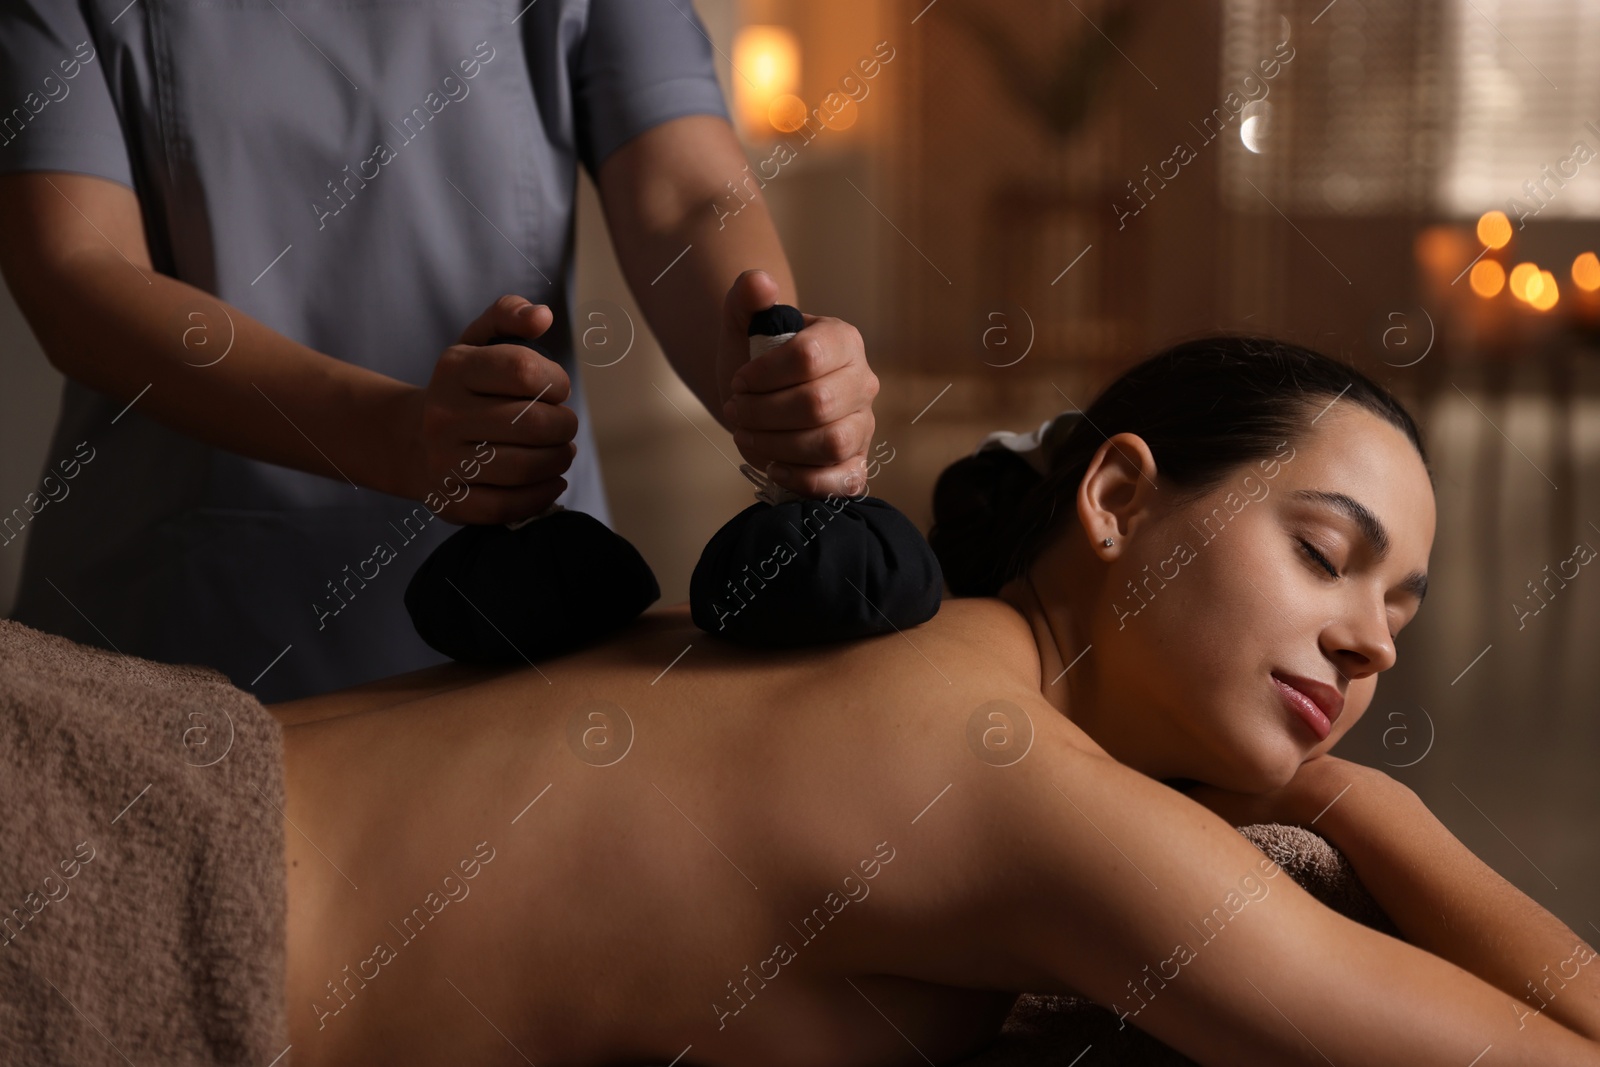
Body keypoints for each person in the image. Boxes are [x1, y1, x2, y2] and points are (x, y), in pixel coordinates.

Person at [267, 337, 1600, 1065]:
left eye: (1401, 613)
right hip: (145, 876)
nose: (1368, 643)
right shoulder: (1019, 778)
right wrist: (1366, 802)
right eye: (1324, 553)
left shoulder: (917, 655)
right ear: (1119, 499)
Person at [0, 1, 875, 702]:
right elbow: (75, 267)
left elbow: (686, 195)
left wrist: (765, 358)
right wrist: (397, 437)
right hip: (173, 634)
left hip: (523, 615)